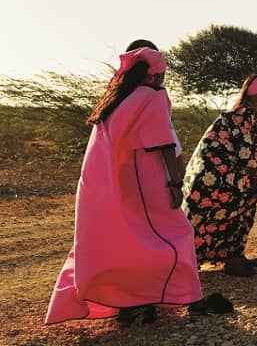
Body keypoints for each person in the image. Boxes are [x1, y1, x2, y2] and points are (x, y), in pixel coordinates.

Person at [45, 47, 232, 326]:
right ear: (156, 74)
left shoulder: (115, 97)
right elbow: (164, 142)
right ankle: (192, 300)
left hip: (106, 184)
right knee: (176, 234)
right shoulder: (153, 96)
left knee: (124, 240)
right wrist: (175, 182)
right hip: (144, 181)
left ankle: (133, 302)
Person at [182, 74, 257, 277]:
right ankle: (190, 260)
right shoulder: (242, 115)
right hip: (220, 176)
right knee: (221, 214)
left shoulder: (253, 114)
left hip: (234, 174)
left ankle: (234, 257)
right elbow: (244, 149)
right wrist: (256, 177)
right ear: (255, 92)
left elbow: (255, 148)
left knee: (239, 214)